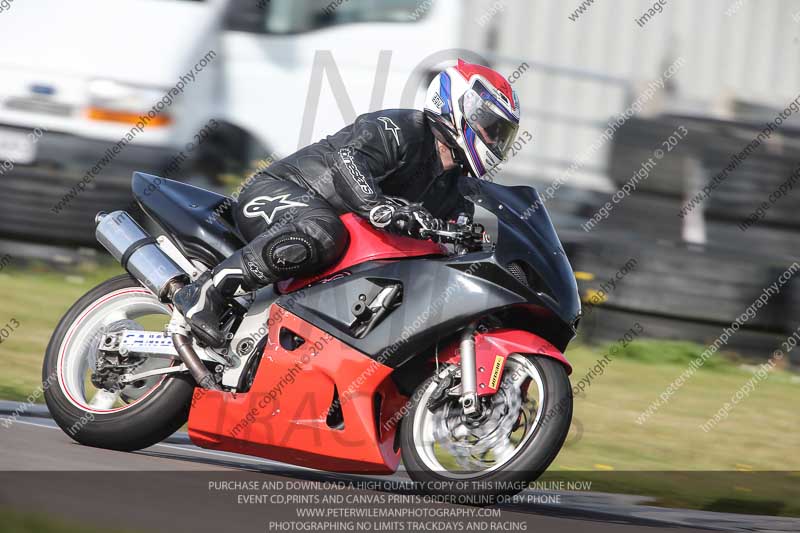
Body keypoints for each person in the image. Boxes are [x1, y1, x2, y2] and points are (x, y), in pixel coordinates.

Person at [174, 59, 521, 347]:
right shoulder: (402, 127)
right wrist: (377, 206)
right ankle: (206, 293)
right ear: (457, 103)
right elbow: (348, 160)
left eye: (501, 133)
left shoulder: (456, 189)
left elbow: (451, 242)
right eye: (490, 126)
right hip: (280, 192)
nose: (493, 139)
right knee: (323, 232)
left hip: (338, 242)